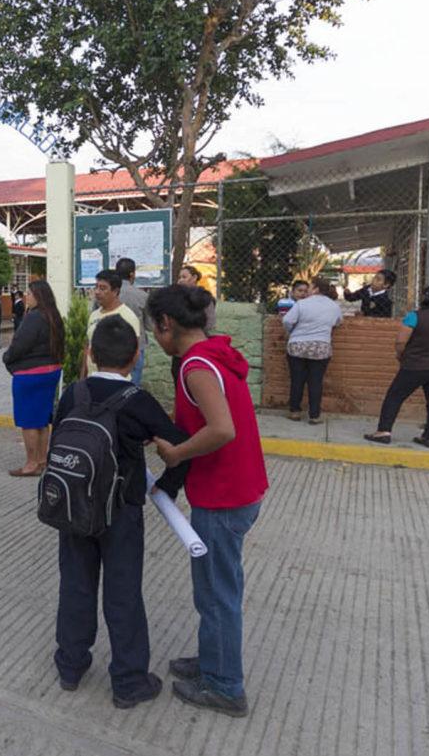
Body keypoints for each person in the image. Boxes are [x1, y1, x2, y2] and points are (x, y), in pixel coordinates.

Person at [52, 316, 187, 709]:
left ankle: (70, 666)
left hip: (73, 504)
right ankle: (128, 681)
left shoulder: (72, 394)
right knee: (123, 592)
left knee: (75, 584)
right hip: (121, 511)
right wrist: (167, 487)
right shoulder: (138, 402)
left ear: (90, 354)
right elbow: (180, 448)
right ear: (136, 356)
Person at [148, 284, 269, 718]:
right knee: (214, 590)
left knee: (217, 594)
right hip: (237, 488)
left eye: (154, 331)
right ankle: (213, 661)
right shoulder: (215, 353)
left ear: (167, 324)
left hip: (223, 496)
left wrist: (175, 453)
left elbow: (221, 430)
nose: (155, 341)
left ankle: (225, 686)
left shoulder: (195, 366)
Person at [363, 283, 429, 448]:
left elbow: (401, 341)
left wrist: (402, 356)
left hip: (414, 365)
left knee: (395, 396)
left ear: (426, 298)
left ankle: (384, 432)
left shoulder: (415, 316)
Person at [2, 279, 64, 476]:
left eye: (29, 293)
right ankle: (42, 460)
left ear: (38, 296)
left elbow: (19, 346)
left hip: (30, 375)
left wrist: (7, 358)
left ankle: (31, 463)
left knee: (28, 420)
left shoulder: (34, 318)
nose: (26, 296)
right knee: (42, 419)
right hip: (51, 372)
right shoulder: (53, 316)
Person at [281, 277, 343, 423]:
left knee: (297, 380)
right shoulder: (334, 306)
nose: (307, 290)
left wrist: (292, 332)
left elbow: (287, 320)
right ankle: (314, 415)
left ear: (315, 289)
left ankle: (295, 411)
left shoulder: (302, 304)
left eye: (310, 287)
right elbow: (338, 322)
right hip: (321, 347)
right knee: (316, 381)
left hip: (297, 346)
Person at [83, 269, 142, 378]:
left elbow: (135, 352)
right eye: (96, 287)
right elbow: (88, 346)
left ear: (115, 291)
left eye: (103, 288)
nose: (97, 292)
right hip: (93, 379)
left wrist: (121, 377)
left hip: (117, 382)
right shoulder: (93, 315)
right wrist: (83, 377)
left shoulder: (127, 316)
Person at [114, 258, 151, 385]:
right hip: (135, 346)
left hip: (109, 344)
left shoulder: (106, 293)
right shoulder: (142, 296)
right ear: (132, 274)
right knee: (132, 385)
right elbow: (150, 325)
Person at [177, 264, 216, 329]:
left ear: (194, 278)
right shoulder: (176, 295)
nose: (180, 280)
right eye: (179, 278)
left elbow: (210, 323)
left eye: (184, 277)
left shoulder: (204, 297)